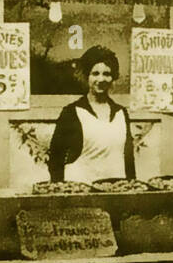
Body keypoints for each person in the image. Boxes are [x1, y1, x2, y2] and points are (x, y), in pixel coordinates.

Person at [48, 45, 136, 183]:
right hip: (82, 193)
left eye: (107, 74)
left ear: (113, 77)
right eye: (95, 73)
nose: (101, 80)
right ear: (87, 76)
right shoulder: (71, 112)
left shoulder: (121, 113)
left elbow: (129, 160)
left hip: (115, 193)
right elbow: (55, 159)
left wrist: (131, 191)